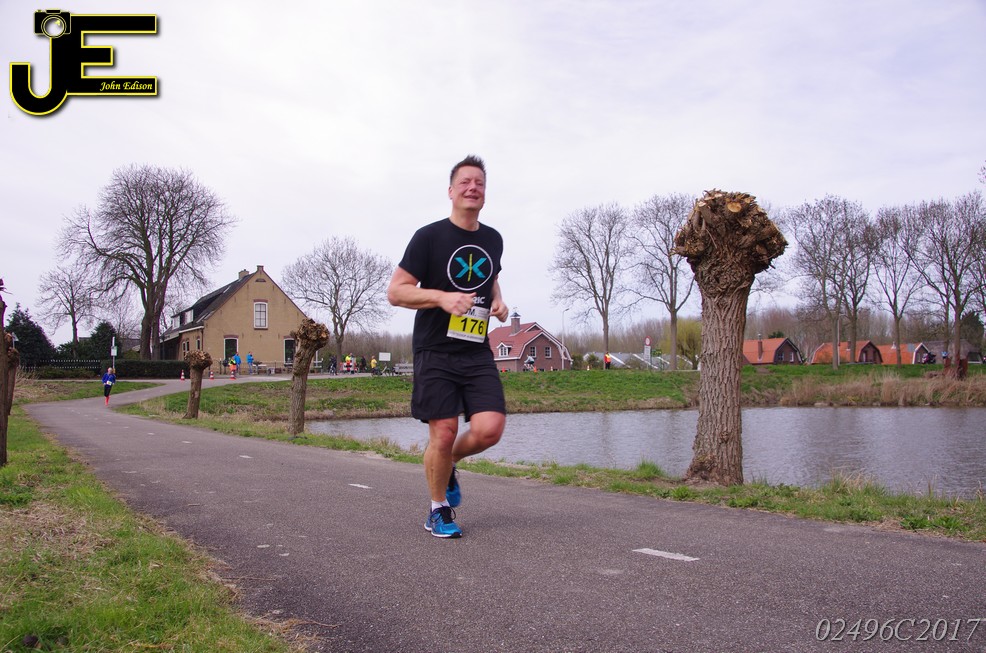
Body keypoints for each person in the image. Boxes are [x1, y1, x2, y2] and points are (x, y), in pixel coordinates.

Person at [387, 154, 509, 539]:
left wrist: (499, 301)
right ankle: (438, 509)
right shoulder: (429, 237)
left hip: (475, 349)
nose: (473, 188)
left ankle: (449, 460)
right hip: (435, 349)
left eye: (480, 183)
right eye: (465, 182)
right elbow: (396, 292)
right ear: (451, 191)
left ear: (485, 193)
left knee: (490, 428)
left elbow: (489, 277)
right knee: (442, 432)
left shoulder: (493, 239)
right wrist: (441, 298)